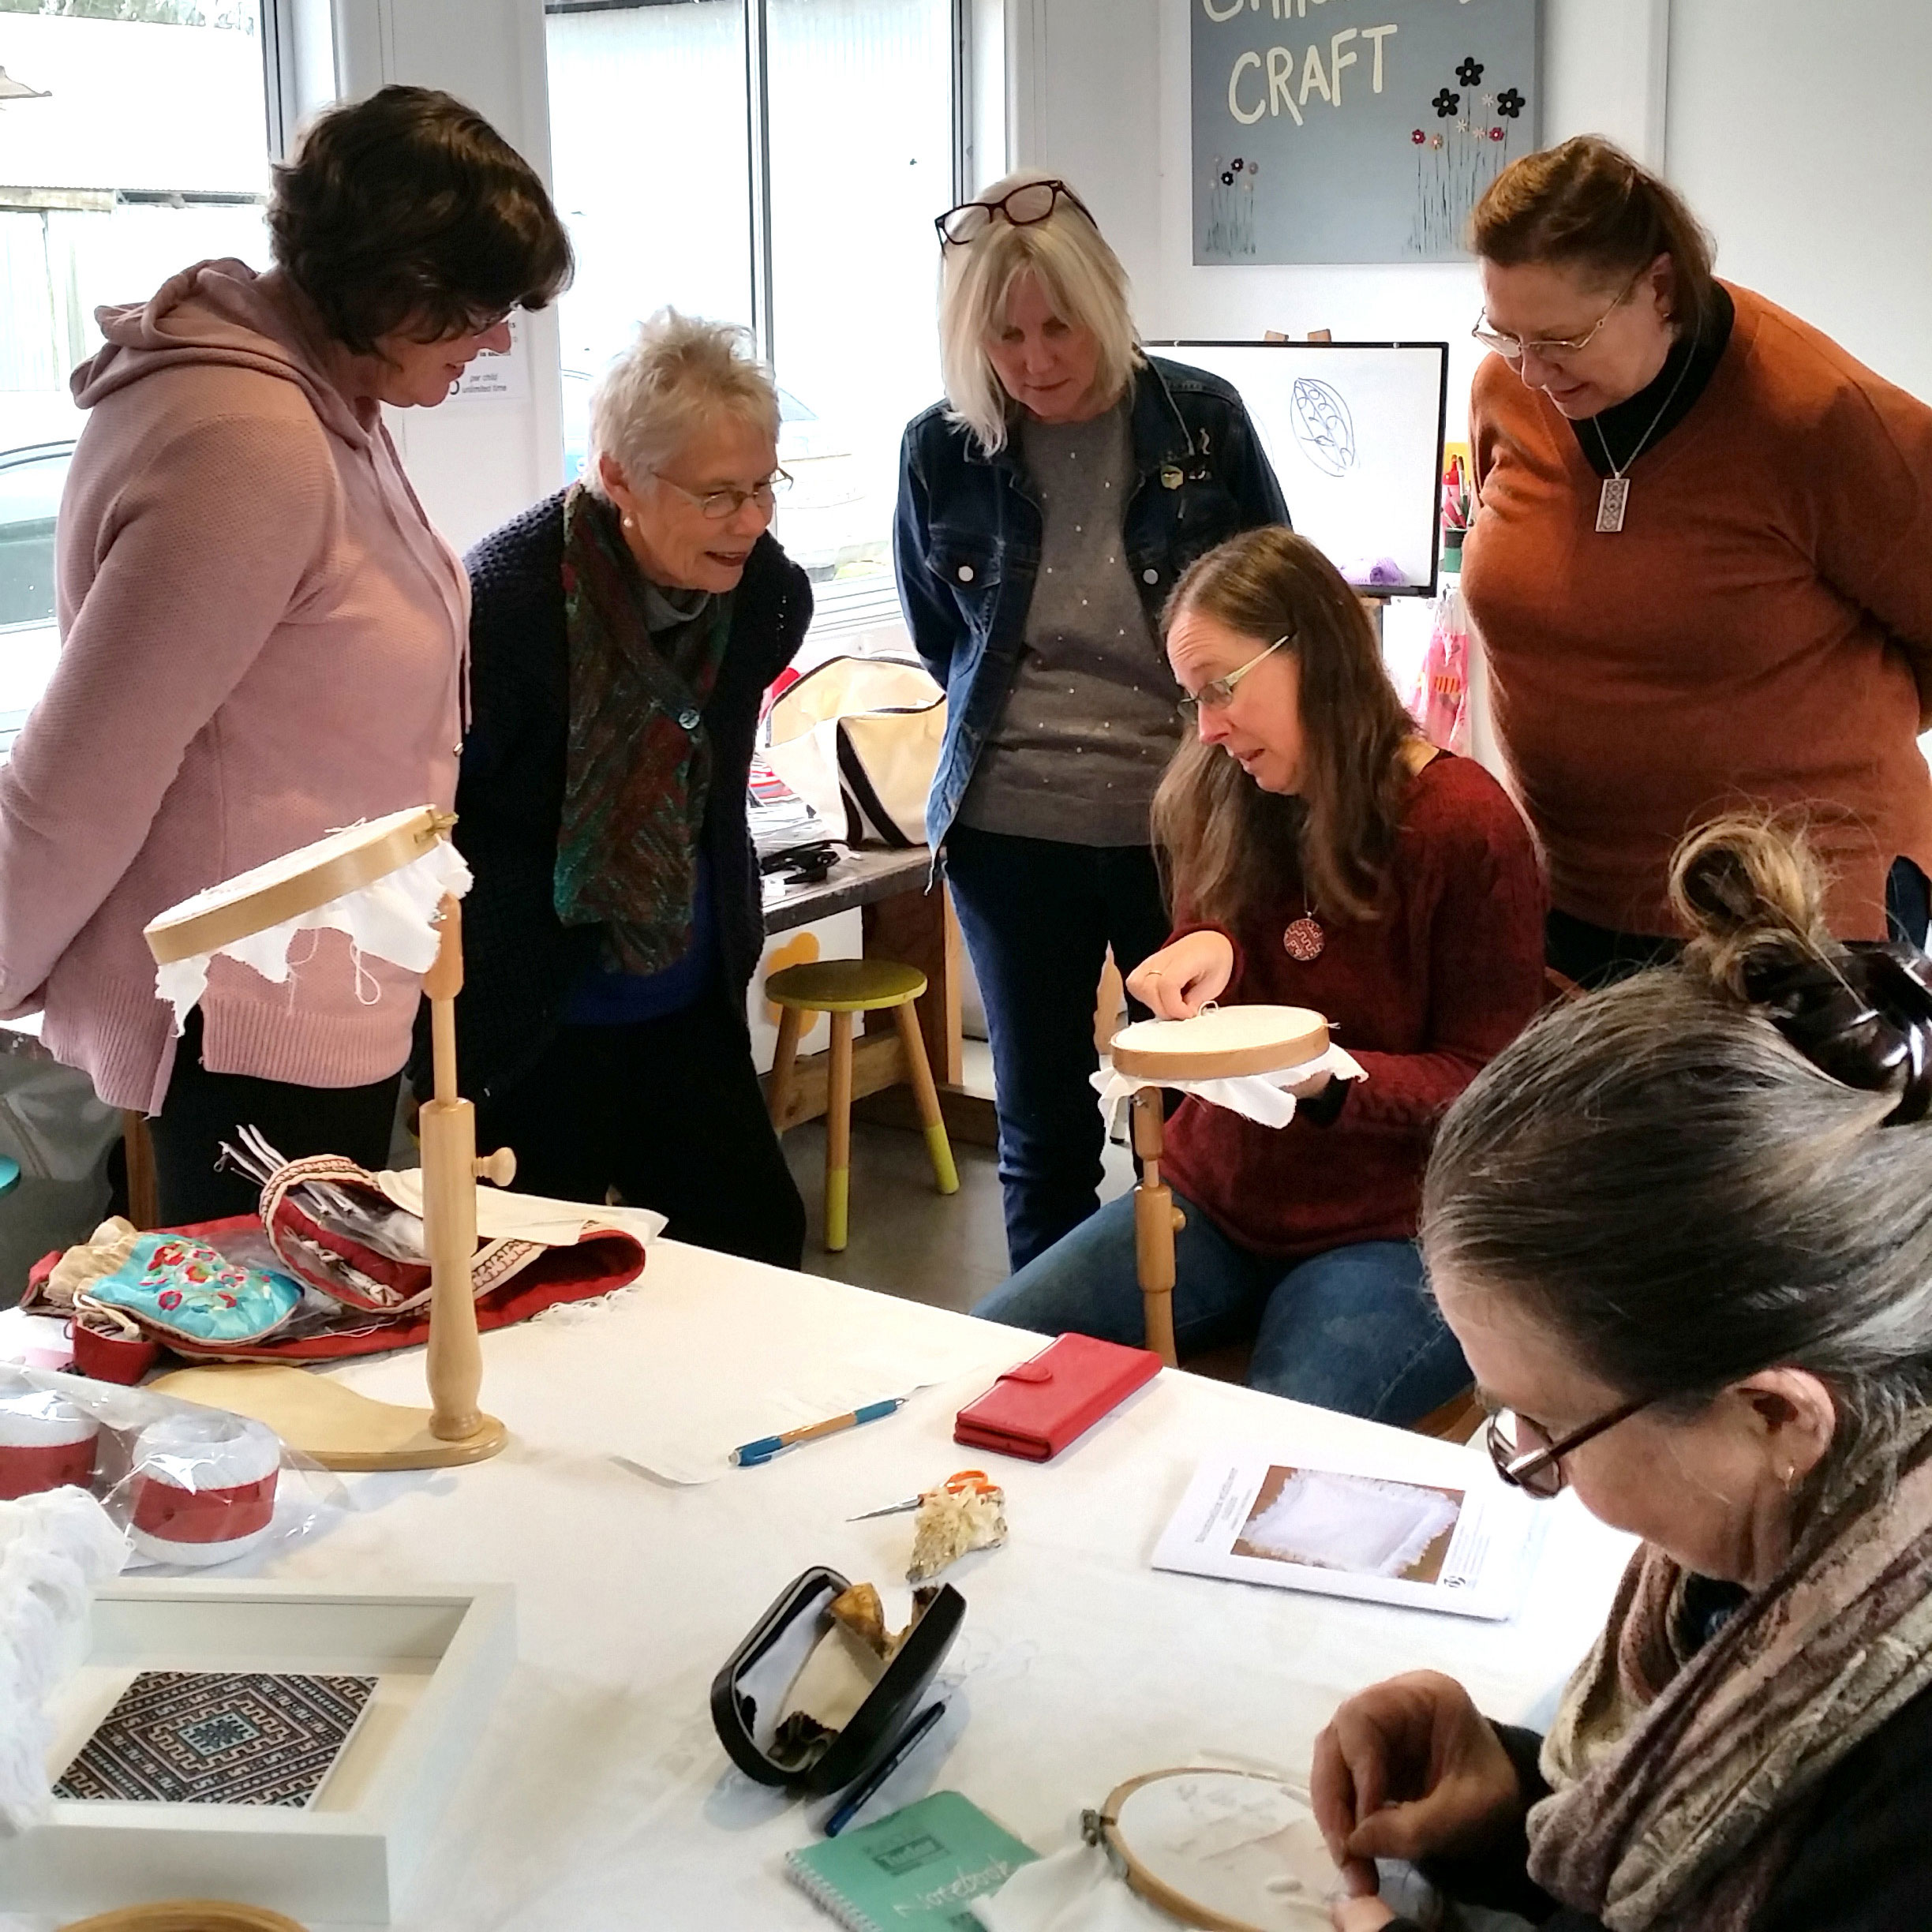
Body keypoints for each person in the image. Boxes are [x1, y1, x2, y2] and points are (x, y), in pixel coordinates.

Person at [1312, 818, 1932, 1932]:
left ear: (1773, 1414)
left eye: (1543, 1429)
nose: (1528, 1463)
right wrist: (1511, 1804)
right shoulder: (1806, 1533)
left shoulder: (1892, 1812)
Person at [0, 86, 572, 1226]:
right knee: (267, 1386)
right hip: (246, 1016)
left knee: (311, 1370)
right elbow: (85, 774)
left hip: (311, 987)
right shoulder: (247, 443)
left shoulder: (322, 403)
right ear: (391, 284)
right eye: (477, 308)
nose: (498, 338)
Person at [972, 528, 1544, 1422]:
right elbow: (1231, 929)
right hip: (1216, 1198)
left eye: (1222, 690)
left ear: (1314, 652)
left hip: (1396, 1232)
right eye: (1193, 699)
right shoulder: (1230, 790)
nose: (1207, 727)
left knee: (1273, 1452)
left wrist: (1330, 1079)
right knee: (982, 1362)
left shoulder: (1464, 828)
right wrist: (1207, 946)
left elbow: (1490, 1088)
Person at [896, 169, 1289, 1271]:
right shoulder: (940, 448)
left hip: (1186, 824)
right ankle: (1056, 1359)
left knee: (1195, 1105)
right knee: (1041, 1121)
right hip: (1010, 829)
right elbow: (949, 642)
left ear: (1106, 303)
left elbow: (1277, 607)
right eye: (1003, 336)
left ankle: (1190, 1331)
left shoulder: (1200, 423)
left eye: (1057, 325)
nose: (1033, 361)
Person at [1460, 134, 1932, 988]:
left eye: (1561, 339)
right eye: (1506, 333)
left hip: (1803, 915)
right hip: (1579, 898)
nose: (1530, 371)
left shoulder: (1818, 416)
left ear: (1661, 287)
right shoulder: (1510, 393)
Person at [442, 311, 810, 1268]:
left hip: (685, 1001)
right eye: (720, 494)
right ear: (618, 478)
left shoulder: (764, 595)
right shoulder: (506, 609)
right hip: (536, 1020)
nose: (754, 519)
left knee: (757, 1247)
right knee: (533, 1283)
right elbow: (447, 825)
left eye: (765, 485)